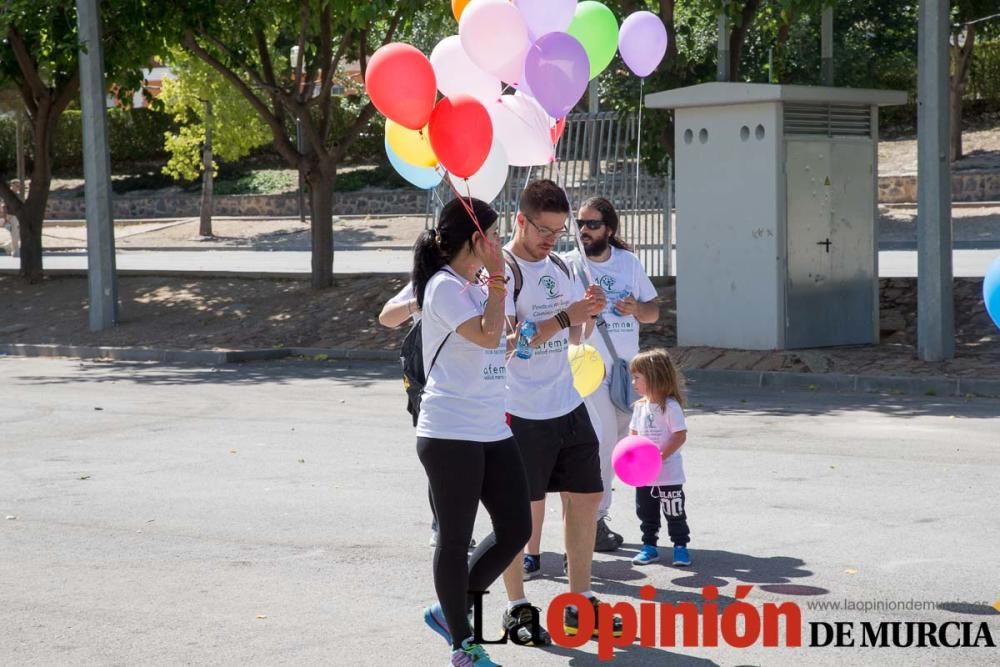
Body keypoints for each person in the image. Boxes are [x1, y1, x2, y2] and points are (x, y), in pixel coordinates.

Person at [500, 179, 623, 642]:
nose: (552, 239)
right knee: (517, 512)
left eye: (558, 230)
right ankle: (516, 605)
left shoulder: (558, 265)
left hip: (567, 402)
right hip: (520, 408)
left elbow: (577, 339)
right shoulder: (504, 270)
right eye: (543, 230)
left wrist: (589, 313)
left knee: (586, 498)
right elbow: (508, 344)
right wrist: (565, 317)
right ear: (521, 220)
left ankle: (579, 602)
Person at [412, 197, 531, 667]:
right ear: (476, 239)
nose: (500, 242)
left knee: (515, 527)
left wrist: (507, 335)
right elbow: (483, 333)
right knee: (456, 538)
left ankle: (449, 610)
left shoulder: (476, 284)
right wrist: (499, 279)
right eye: (495, 234)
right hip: (449, 430)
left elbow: (491, 341)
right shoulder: (443, 286)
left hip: (489, 423)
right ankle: (463, 645)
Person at [564, 196, 660, 552]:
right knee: (602, 440)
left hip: (626, 370)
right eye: (580, 224)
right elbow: (568, 324)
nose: (583, 231)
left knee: (620, 442)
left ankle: (592, 509)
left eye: (592, 224)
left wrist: (636, 307)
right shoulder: (570, 265)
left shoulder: (629, 264)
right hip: (588, 369)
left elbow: (652, 313)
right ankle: (595, 520)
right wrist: (588, 310)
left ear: (609, 229)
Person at [379, 280, 478, 552]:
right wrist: (418, 304)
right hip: (429, 385)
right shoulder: (431, 282)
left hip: (476, 386)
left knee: (471, 461)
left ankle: (457, 525)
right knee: (445, 461)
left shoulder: (479, 280)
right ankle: (445, 525)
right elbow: (387, 317)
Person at [627, 348, 692, 567]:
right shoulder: (639, 408)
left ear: (654, 377)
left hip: (668, 475)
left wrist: (660, 457)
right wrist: (633, 460)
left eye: (637, 378)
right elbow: (633, 436)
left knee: (675, 513)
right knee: (646, 513)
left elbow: (679, 435)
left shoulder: (670, 407)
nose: (633, 383)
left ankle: (680, 547)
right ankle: (649, 547)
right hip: (645, 476)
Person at [1, 180, 21, 257]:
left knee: (18, 235)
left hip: (17, 216)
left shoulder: (18, 194)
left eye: (19, 186)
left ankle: (7, 246)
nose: (18, 187)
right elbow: (4, 207)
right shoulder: (8, 194)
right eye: (17, 186)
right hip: (11, 216)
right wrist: (5, 219)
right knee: (15, 235)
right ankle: (16, 253)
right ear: (12, 185)